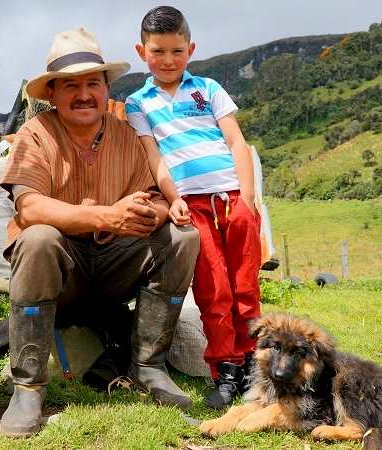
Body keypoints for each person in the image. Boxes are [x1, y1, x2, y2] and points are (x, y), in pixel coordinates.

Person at [0, 27, 200, 438]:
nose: (84, 94)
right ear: (51, 94)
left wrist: (152, 212)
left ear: (107, 88)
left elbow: (157, 196)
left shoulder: (127, 136)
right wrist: (108, 217)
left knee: (183, 237)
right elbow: (30, 207)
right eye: (71, 86)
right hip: (60, 275)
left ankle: (148, 367)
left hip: (113, 269)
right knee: (38, 236)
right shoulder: (34, 135)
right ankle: (28, 387)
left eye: (93, 83)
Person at [125, 6, 262, 410]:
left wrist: (249, 198)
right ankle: (226, 371)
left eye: (177, 50)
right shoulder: (138, 102)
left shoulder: (209, 88)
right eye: (158, 51)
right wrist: (174, 200)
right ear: (141, 50)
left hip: (234, 198)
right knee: (213, 289)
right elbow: (155, 158)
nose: (168, 60)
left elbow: (236, 143)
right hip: (193, 209)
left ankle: (256, 367)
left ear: (191, 49)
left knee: (245, 289)